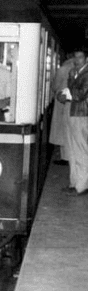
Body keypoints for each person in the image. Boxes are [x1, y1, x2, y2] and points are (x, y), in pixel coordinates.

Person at [60, 48, 88, 195]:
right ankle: (74, 183)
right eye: (75, 58)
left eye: (80, 57)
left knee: (81, 150)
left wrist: (66, 95)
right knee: (72, 150)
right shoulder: (73, 72)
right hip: (72, 113)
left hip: (82, 115)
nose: (77, 61)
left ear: (86, 59)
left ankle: (82, 185)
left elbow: (82, 93)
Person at [50, 53, 74, 165]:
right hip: (74, 102)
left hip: (62, 101)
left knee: (62, 130)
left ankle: (66, 157)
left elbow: (54, 86)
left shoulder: (63, 68)